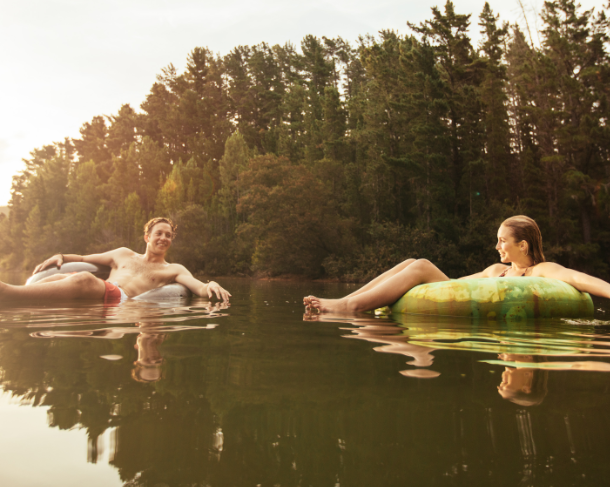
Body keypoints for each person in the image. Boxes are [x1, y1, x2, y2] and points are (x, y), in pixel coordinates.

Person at [304, 215, 610, 313]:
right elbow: (459, 285)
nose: (497, 246)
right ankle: (346, 301)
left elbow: (579, 279)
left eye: (502, 241)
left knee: (421, 263)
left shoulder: (539, 271)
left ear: (523, 246)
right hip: (467, 295)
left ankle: (348, 308)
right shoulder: (496, 270)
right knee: (414, 262)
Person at [0, 217, 231, 304]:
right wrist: (60, 256)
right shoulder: (122, 254)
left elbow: (198, 287)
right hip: (96, 286)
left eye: (168, 235)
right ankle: (12, 298)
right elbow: (82, 258)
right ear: (147, 237)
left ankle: (7, 294)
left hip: (117, 297)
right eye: (159, 233)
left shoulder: (173, 269)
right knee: (64, 276)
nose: (163, 238)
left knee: (83, 279)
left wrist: (210, 284)